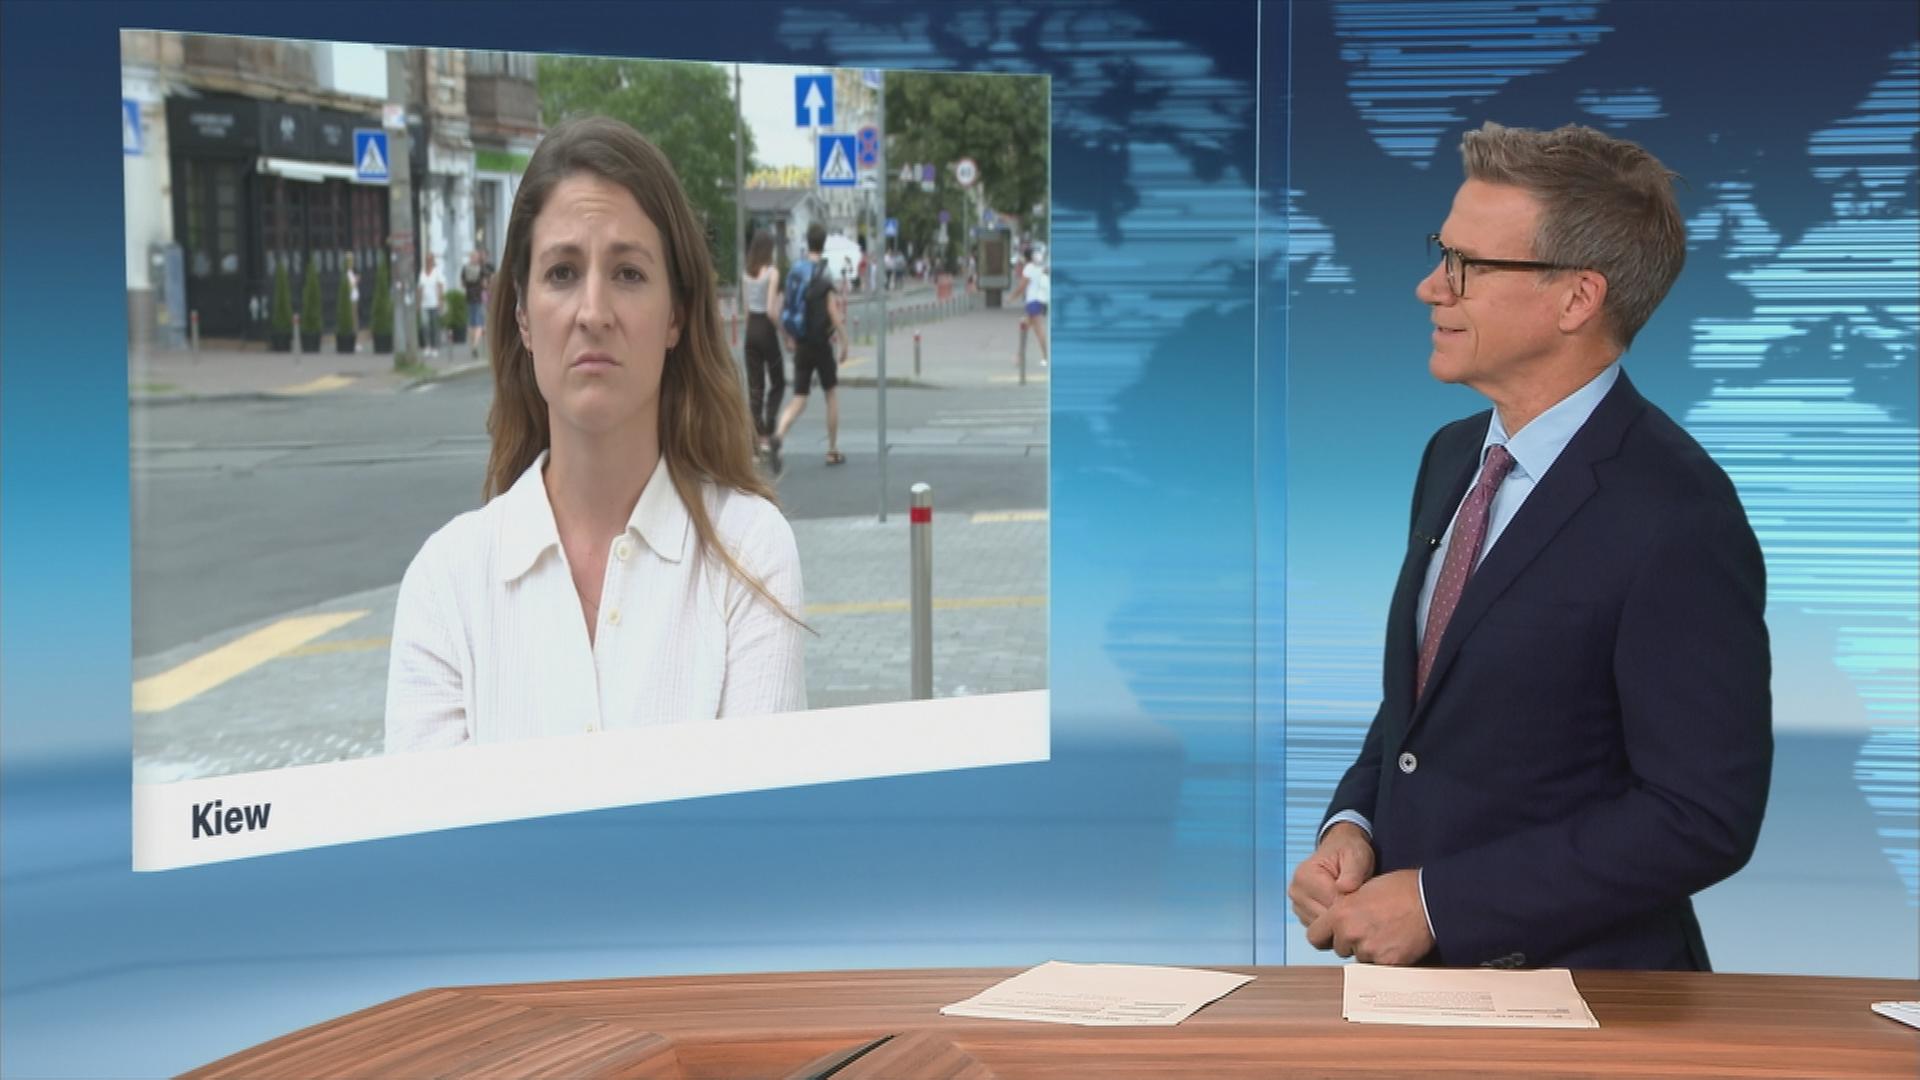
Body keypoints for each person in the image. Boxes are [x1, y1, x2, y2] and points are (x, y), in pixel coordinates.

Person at [1288, 122, 1771, 971]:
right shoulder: (1452, 457)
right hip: (1422, 998)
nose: (1430, 287)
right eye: (1440, 253)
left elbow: (1700, 815)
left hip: (1595, 1005)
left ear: (1577, 299)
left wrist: (1440, 904)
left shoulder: (1677, 513)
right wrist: (1353, 826)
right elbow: (1428, 701)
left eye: (1467, 265)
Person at [384, 116, 808, 750]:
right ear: (522, 316)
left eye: (628, 273)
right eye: (561, 272)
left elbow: (751, 813)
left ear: (676, 314)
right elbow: (432, 820)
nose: (593, 312)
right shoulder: (446, 584)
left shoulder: (749, 554)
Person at [772, 223, 847, 468]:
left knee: (799, 397)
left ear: (808, 242)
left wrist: (789, 335)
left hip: (802, 342)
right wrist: (844, 341)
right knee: (831, 394)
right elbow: (833, 313)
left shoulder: (796, 270)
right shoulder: (824, 274)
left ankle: (779, 434)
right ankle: (832, 450)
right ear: (823, 244)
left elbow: (786, 306)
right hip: (822, 344)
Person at [740, 231, 786, 460]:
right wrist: (784, 333)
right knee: (778, 381)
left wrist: (749, 334)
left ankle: (754, 443)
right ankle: (769, 430)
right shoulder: (772, 273)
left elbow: (747, 311)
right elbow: (771, 310)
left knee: (755, 387)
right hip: (767, 331)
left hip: (751, 332)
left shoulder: (745, 275)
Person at [1007, 246, 1050, 366]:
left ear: (1025, 257)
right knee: (1025, 327)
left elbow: (1022, 286)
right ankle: (1020, 356)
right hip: (1037, 301)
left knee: (1037, 330)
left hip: (1032, 302)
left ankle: (1044, 357)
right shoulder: (1038, 267)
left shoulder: (1029, 268)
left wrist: (1011, 298)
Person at [460, 247, 492, 357]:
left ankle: (472, 345)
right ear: (477, 258)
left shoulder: (465, 269)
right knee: (479, 323)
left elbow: (462, 284)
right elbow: (484, 284)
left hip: (469, 297)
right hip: (478, 297)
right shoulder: (481, 269)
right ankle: (475, 345)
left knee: (471, 323)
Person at [418, 252, 446, 357]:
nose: (428, 262)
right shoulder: (422, 272)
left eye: (430, 260)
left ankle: (435, 347)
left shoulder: (437, 272)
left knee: (434, 326)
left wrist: (441, 301)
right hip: (424, 304)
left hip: (434, 303)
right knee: (425, 325)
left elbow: (440, 286)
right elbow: (420, 288)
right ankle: (427, 346)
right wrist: (419, 302)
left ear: (433, 261)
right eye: (427, 260)